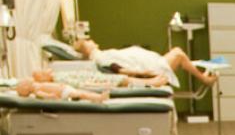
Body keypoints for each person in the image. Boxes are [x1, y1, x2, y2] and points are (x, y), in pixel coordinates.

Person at [73, 39, 218, 87]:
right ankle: (205, 79)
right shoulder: (99, 57)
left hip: (153, 63)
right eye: (88, 41)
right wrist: (145, 74)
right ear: (87, 47)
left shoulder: (100, 55)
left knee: (179, 55)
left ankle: (197, 68)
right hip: (150, 69)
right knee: (178, 53)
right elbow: (119, 70)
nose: (91, 40)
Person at [32, 68, 169, 89]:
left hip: (93, 76)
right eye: (44, 72)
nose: (48, 69)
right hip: (94, 82)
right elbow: (79, 84)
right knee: (121, 80)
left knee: (122, 78)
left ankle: (150, 81)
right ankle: (149, 83)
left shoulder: (58, 75)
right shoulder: (57, 81)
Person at [14, 78, 108, 103]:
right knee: (82, 95)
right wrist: (52, 97)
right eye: (25, 82)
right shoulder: (36, 90)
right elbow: (44, 95)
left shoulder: (37, 85)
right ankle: (99, 97)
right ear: (26, 88)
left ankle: (98, 97)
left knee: (82, 93)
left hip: (64, 89)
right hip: (63, 93)